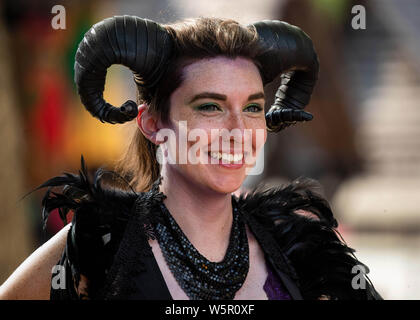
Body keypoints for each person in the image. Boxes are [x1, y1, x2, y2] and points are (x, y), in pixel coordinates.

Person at [0, 15, 381, 300]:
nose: (238, 131)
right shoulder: (98, 245)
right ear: (151, 121)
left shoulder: (298, 243)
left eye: (252, 108)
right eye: (210, 107)